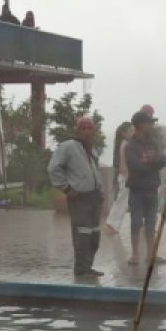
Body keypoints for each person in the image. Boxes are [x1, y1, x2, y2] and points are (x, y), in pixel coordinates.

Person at [47, 116, 104, 277]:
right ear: (78, 131)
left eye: (89, 128)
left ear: (94, 131)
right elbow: (53, 168)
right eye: (82, 128)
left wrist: (101, 193)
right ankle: (81, 269)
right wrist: (66, 188)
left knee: (94, 235)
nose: (86, 131)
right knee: (82, 235)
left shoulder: (91, 150)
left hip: (94, 198)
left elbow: (94, 173)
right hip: (79, 199)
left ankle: (88, 267)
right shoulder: (68, 146)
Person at [124, 110, 166, 266]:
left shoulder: (153, 142)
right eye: (149, 122)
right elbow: (135, 166)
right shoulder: (131, 146)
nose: (151, 125)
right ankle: (135, 254)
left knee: (151, 222)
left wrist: (150, 161)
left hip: (152, 188)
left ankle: (151, 254)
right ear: (140, 125)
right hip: (137, 189)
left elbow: (163, 160)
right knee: (136, 221)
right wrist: (152, 163)